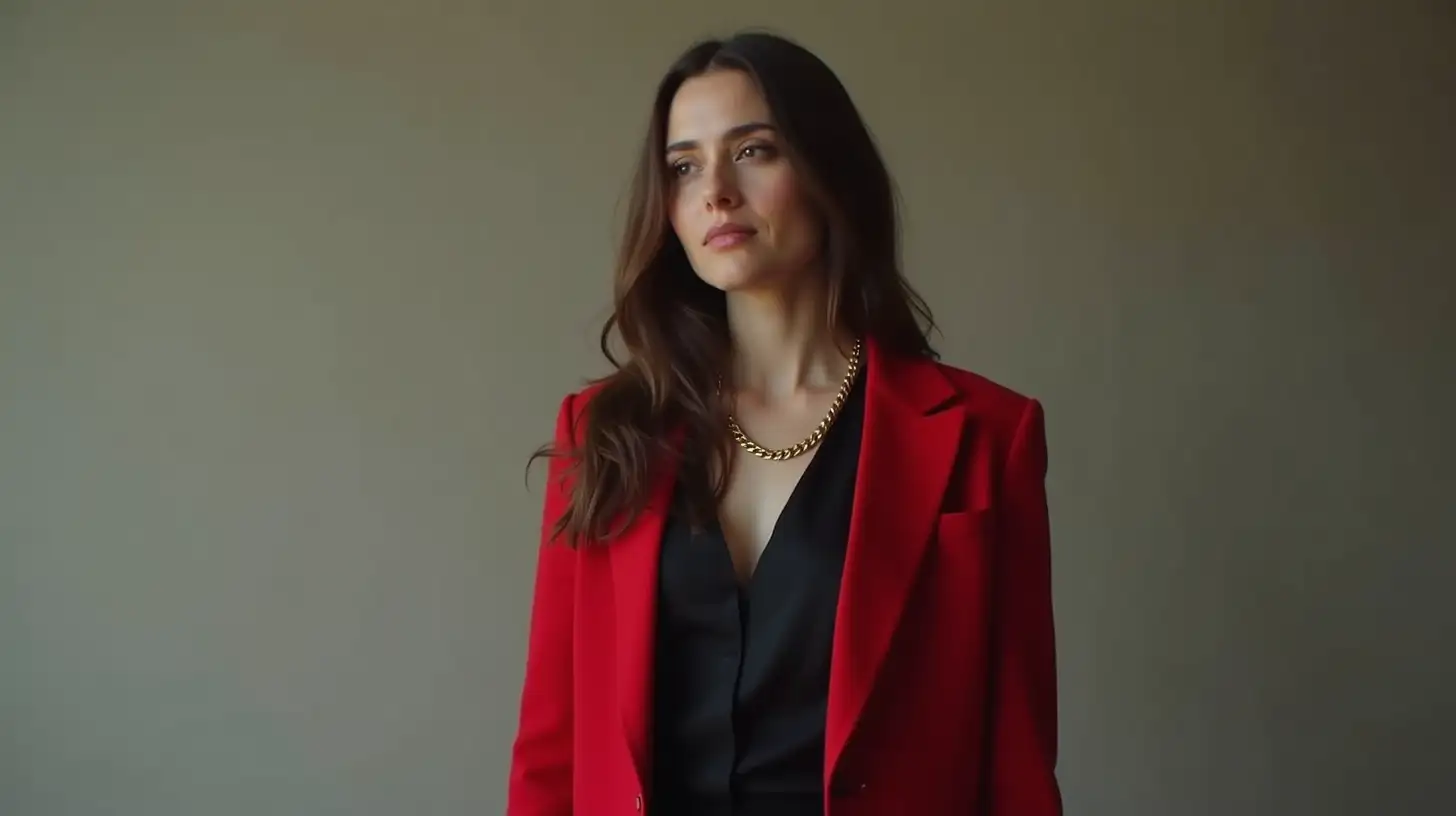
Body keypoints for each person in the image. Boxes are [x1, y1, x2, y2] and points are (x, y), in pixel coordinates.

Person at [508, 30, 1061, 816]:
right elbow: (550, 750)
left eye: (754, 150)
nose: (716, 193)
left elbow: (1017, 766)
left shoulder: (986, 437)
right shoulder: (605, 429)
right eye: (684, 166)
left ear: (828, 170)